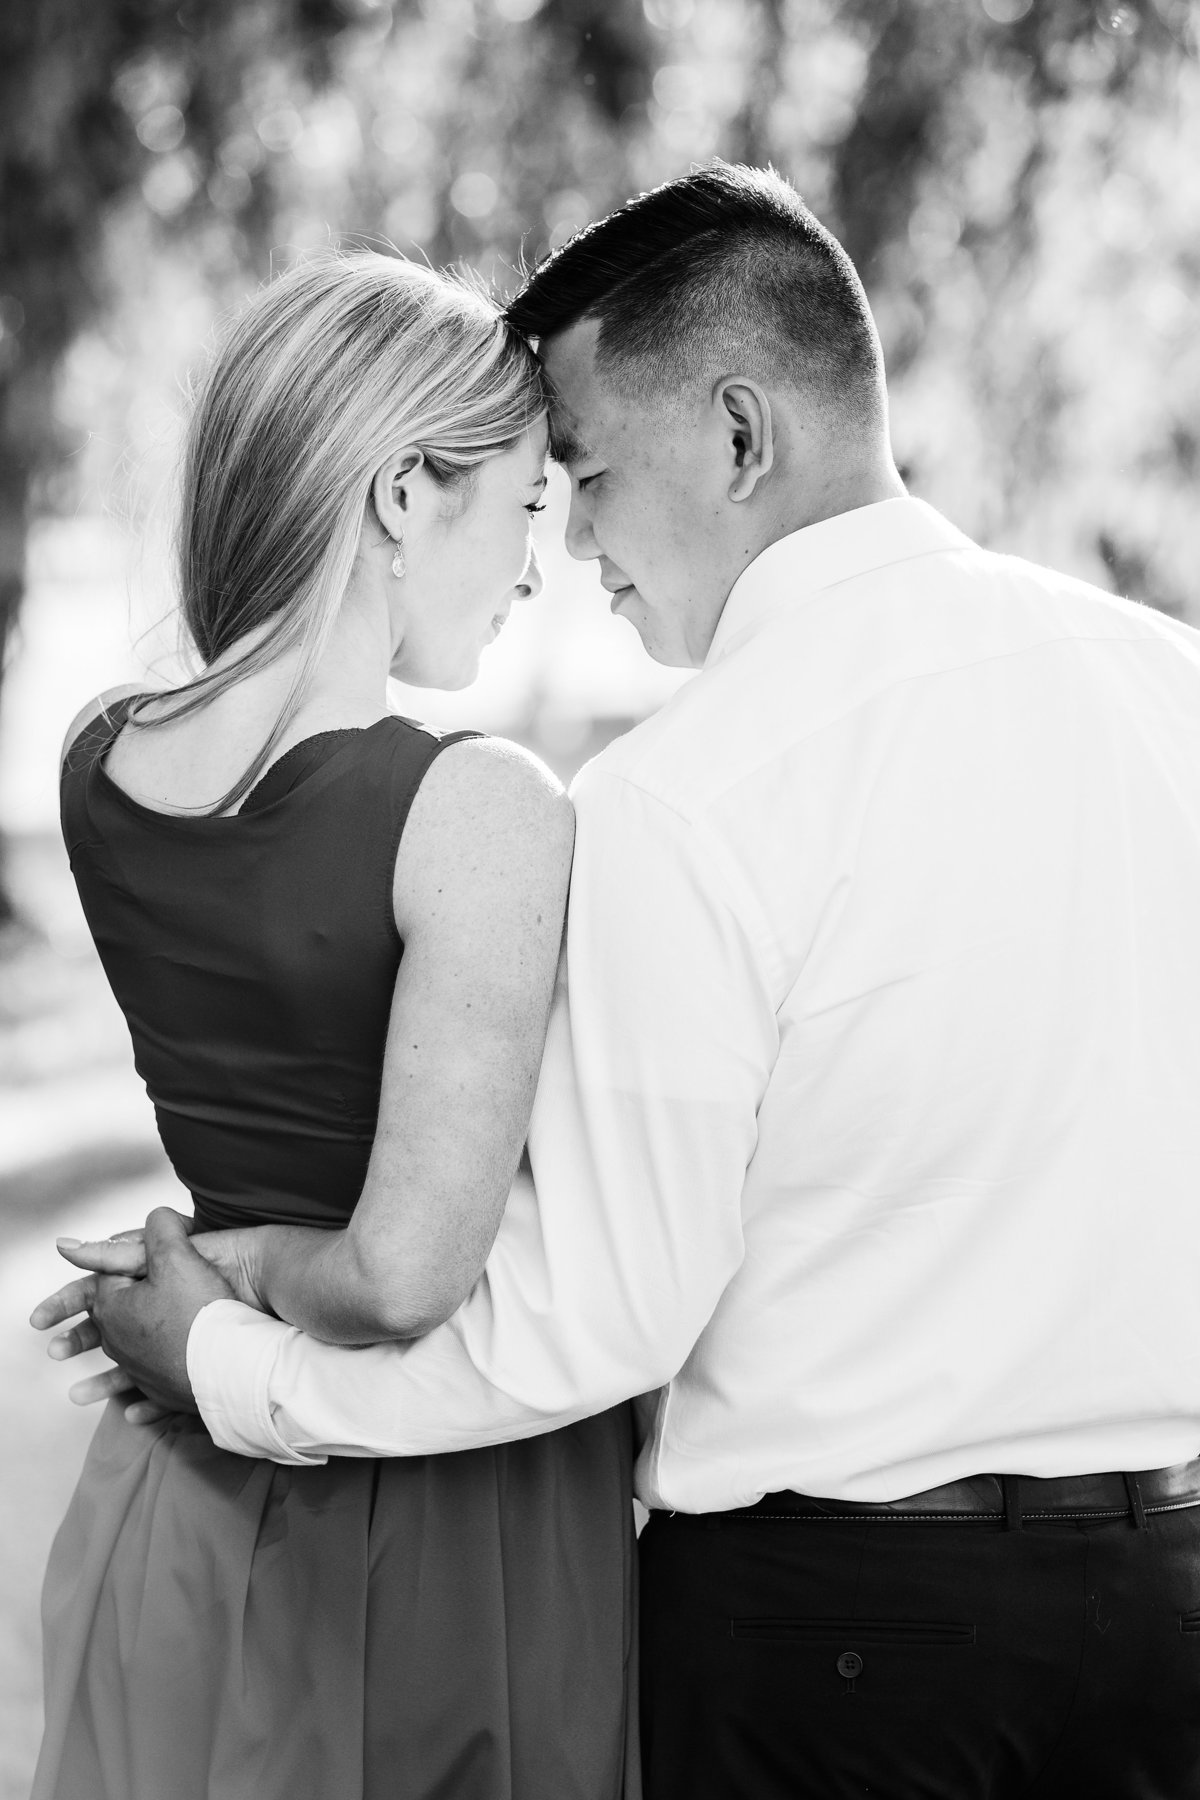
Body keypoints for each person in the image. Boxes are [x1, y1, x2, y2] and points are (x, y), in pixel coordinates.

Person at [41, 163, 1200, 1799]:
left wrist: (230, 1364)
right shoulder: (1168, 685)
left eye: (579, 474)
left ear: (737, 436)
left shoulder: (689, 794)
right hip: (1169, 1607)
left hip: (839, 1647)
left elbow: (595, 1307)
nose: (572, 544)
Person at [29, 251, 639, 1800]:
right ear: (398, 495)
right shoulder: (482, 808)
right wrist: (236, 1276)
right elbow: (396, 1276)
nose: (531, 568)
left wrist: (211, 1263)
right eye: (519, 507)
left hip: (179, 1490)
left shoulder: (101, 767)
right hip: (444, 1511)